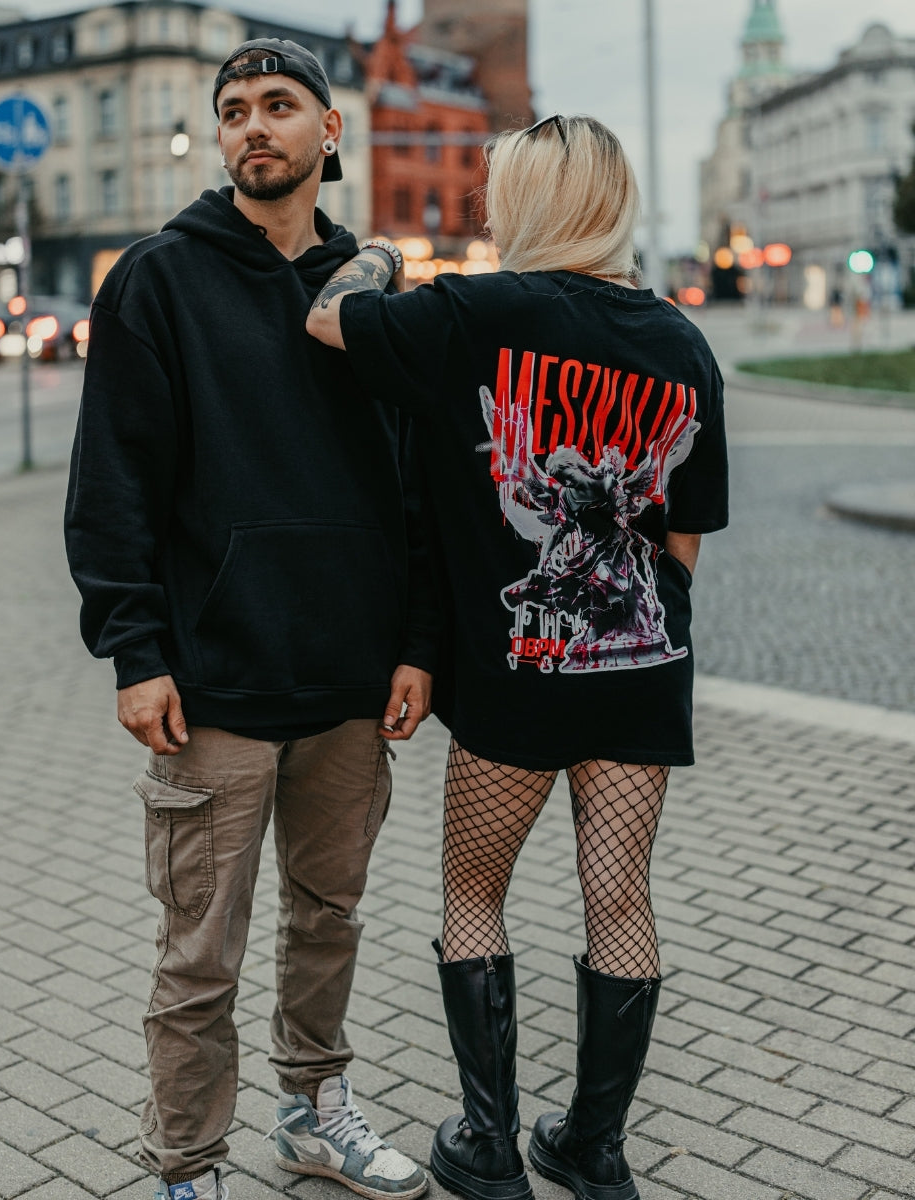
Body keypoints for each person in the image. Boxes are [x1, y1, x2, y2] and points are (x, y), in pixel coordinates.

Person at [306, 114, 728, 1200]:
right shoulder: (681, 343)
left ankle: (490, 1149)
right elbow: (685, 536)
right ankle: (595, 1149)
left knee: (473, 894)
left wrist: (375, 255)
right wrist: (639, 628)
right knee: (620, 901)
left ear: (530, 201)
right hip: (638, 670)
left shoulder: (477, 312)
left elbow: (327, 319)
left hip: (516, 673)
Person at [64, 38, 435, 1200]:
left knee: (328, 921)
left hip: (348, 684)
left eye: (279, 105)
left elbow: (414, 483)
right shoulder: (156, 281)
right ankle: (187, 1167)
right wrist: (135, 651)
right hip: (213, 685)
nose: (253, 127)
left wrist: (417, 643)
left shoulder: (369, 294)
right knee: (199, 956)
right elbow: (112, 485)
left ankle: (314, 1112)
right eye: (233, 110)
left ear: (330, 129)